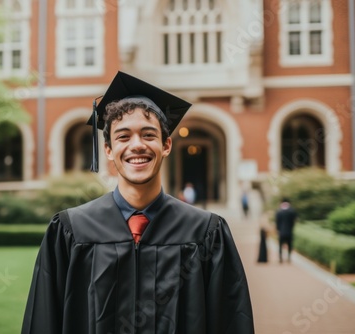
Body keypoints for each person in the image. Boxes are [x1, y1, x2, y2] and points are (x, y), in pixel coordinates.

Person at [22, 72, 254, 334]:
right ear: (108, 150)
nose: (137, 145)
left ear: (166, 145)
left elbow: (232, 322)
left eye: (148, 135)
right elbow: (43, 322)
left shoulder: (206, 232)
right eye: (123, 136)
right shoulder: (70, 230)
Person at [275, 197, 297, 263]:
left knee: (280, 245)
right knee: (289, 245)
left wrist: (278, 229)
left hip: (281, 231)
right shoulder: (292, 211)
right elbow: (294, 221)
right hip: (289, 231)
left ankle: (280, 258)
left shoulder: (279, 211)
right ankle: (289, 257)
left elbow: (277, 222)